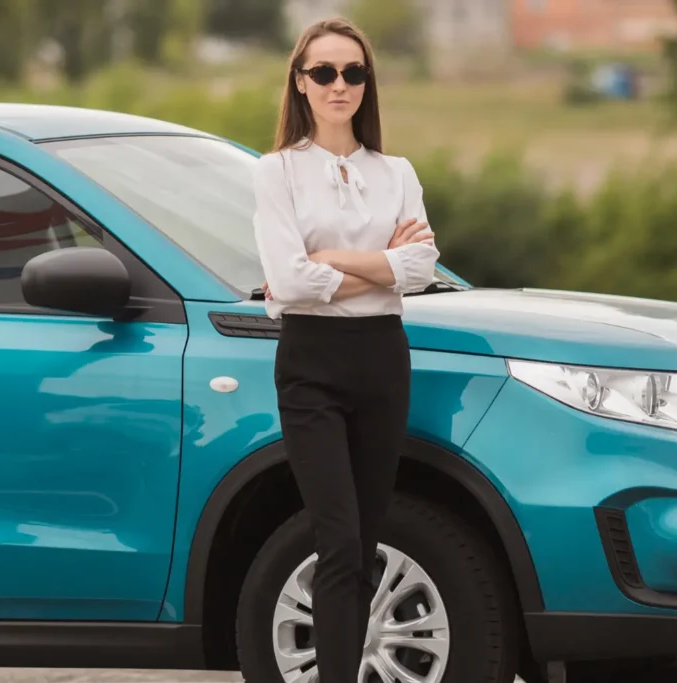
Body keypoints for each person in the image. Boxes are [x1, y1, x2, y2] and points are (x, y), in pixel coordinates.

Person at [251, 16, 441, 683]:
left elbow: (423, 268)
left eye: (354, 72)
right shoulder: (277, 172)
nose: (340, 84)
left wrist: (334, 259)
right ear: (300, 83)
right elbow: (289, 282)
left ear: (367, 82)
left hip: (382, 359)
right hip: (312, 363)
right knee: (337, 540)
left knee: (363, 546)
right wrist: (383, 264)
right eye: (325, 72)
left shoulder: (396, 173)